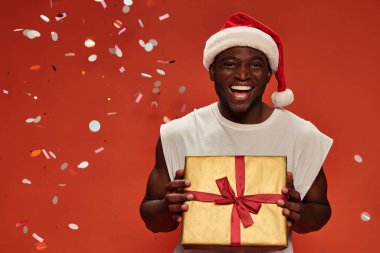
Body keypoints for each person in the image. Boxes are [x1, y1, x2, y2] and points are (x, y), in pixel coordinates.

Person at [140, 12, 333, 253]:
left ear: (268, 74)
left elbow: (321, 209)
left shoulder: (301, 135)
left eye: (255, 65)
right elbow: (151, 218)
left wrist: (299, 213)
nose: (242, 75)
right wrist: (166, 208)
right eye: (229, 64)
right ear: (212, 71)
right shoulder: (178, 133)